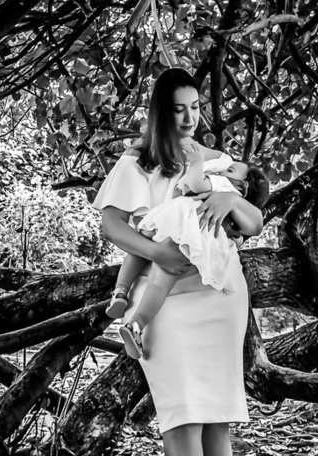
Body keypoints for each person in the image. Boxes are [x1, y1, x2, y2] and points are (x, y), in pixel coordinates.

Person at [93, 67, 264, 456]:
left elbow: (254, 221)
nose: (190, 117)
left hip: (219, 293)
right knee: (181, 418)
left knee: (218, 421)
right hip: (166, 298)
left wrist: (228, 203)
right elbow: (113, 227)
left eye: (196, 106)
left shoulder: (213, 160)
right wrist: (157, 257)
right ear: (160, 112)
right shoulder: (137, 163)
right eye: (179, 109)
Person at [106, 141, 269, 362]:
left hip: (167, 220)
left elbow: (195, 183)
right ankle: (136, 324)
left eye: (231, 170)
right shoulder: (231, 195)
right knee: (160, 282)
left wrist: (197, 163)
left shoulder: (224, 185)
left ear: (243, 186)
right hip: (185, 231)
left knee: (138, 250)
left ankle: (120, 292)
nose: (225, 170)